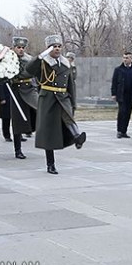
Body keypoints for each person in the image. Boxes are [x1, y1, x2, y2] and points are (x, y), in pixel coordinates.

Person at [24, 35, 86, 174]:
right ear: (48, 49)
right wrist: (40, 57)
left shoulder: (65, 63)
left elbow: (70, 84)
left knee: (68, 119)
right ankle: (50, 164)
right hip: (48, 98)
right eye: (54, 47)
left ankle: (77, 137)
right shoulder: (43, 62)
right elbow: (29, 69)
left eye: (59, 46)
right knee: (49, 132)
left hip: (63, 97)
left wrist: (73, 103)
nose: (57, 49)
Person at [4, 36, 35, 160]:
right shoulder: (7, 59)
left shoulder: (29, 59)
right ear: (14, 48)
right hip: (16, 90)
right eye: (18, 47)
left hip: (29, 89)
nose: (21, 49)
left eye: (23, 47)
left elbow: (33, 73)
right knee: (17, 121)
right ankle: (18, 150)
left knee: (41, 109)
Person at [111, 51, 132, 138]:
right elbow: (114, 82)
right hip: (121, 94)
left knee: (128, 113)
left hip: (131, 95)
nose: (125, 59)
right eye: (124, 58)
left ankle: (124, 131)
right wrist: (113, 94)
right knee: (122, 112)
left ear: (131, 59)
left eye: (127, 58)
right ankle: (119, 131)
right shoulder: (118, 70)